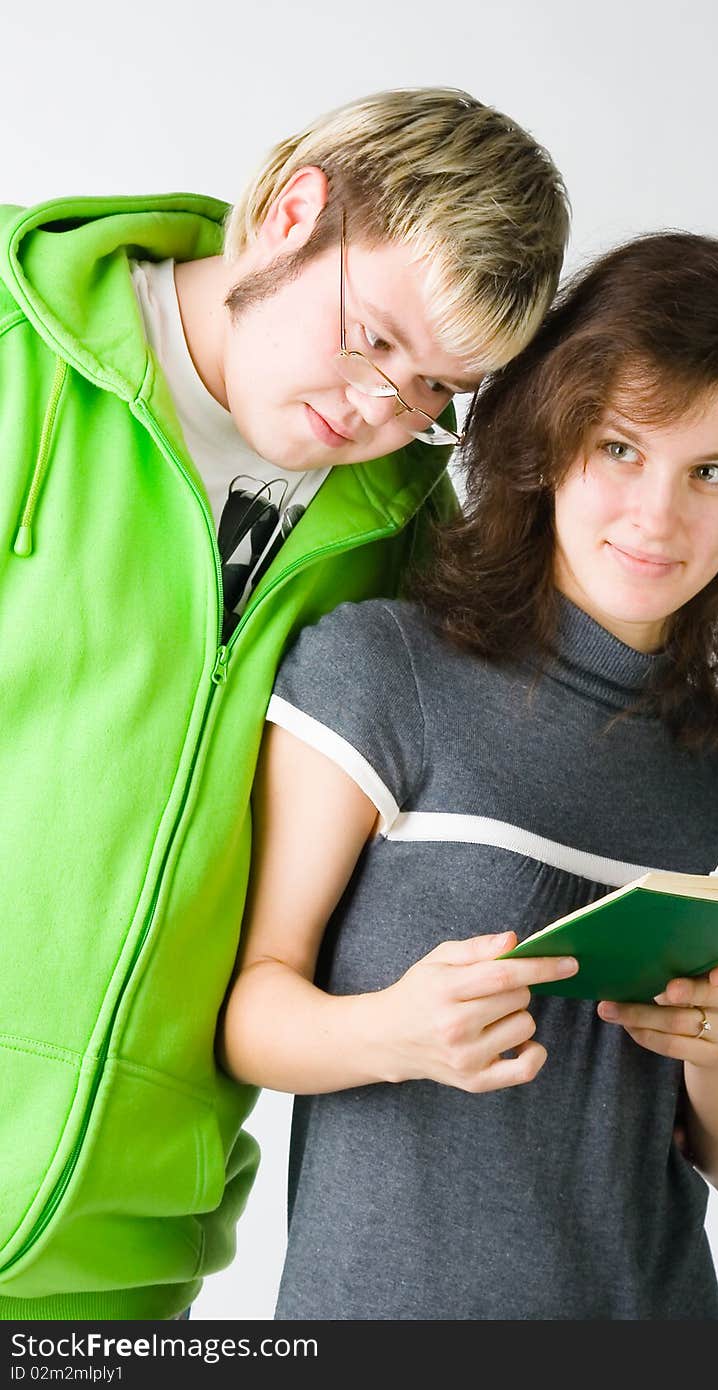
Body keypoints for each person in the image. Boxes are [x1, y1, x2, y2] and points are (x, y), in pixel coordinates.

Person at [0, 87, 570, 1321]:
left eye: (436, 392)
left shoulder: (414, 544)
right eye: (373, 340)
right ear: (291, 213)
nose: (383, 414)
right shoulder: (13, 345)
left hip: (123, 1271)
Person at [219, 230, 718, 1320]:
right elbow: (247, 1013)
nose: (658, 516)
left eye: (710, 472)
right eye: (618, 449)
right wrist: (393, 1031)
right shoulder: (381, 671)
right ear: (550, 441)